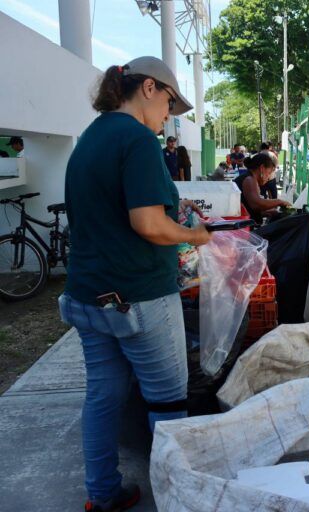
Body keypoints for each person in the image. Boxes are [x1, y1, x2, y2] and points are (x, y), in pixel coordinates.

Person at [59, 56, 212, 512]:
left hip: (87, 295)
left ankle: (103, 494)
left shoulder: (91, 138)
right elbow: (148, 223)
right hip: (137, 298)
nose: (169, 115)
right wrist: (194, 235)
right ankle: (178, 498)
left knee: (103, 396)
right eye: (169, 102)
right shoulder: (138, 140)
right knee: (168, 405)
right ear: (148, 88)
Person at [234, 152, 291, 223]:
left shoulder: (251, 178)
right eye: (269, 173)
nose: (269, 177)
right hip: (244, 230)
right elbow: (256, 204)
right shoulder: (249, 180)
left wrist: (264, 213)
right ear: (262, 168)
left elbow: (249, 208)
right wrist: (279, 202)